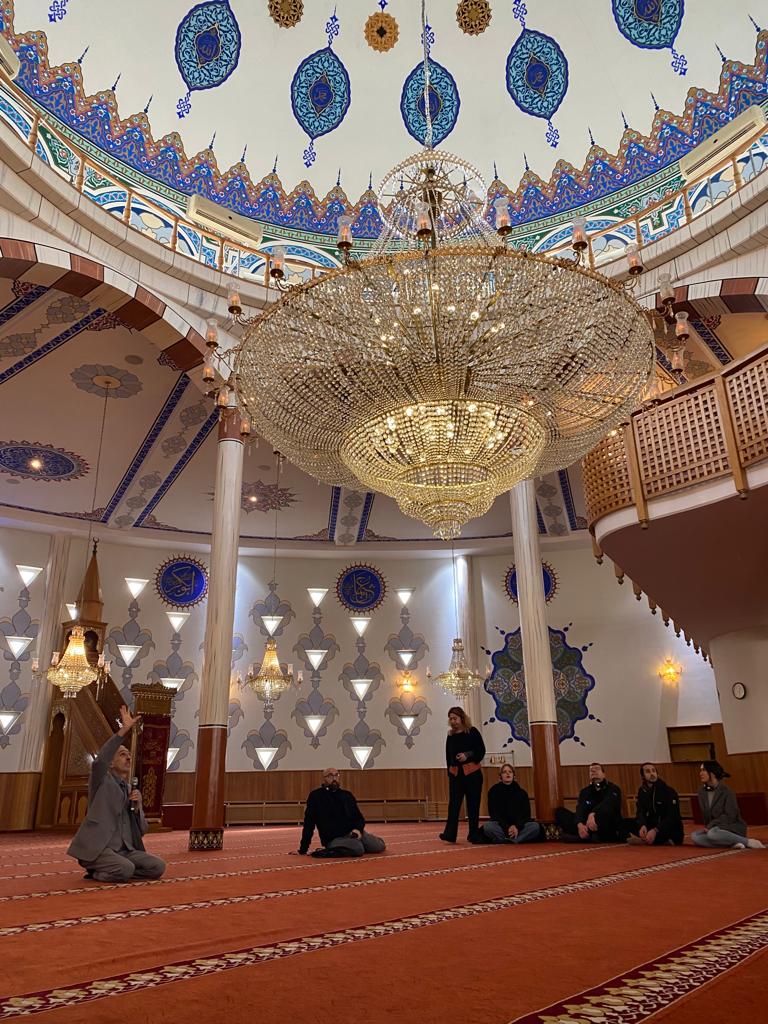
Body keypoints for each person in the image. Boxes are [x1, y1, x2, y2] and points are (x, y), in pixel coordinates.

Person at [67, 705, 166, 882]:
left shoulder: (129, 789)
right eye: (122, 755)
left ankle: (118, 869)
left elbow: (142, 830)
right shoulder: (101, 781)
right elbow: (100, 761)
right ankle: (99, 871)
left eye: (129, 755)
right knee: (125, 868)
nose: (128, 757)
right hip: (100, 848)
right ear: (111, 763)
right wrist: (124, 730)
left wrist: (138, 806)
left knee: (158, 866)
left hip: (125, 851)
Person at [294, 767, 386, 857]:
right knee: (358, 848)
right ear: (324, 778)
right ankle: (328, 850)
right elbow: (309, 823)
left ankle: (354, 845)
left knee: (379, 846)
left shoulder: (347, 795)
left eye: (336, 775)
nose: (334, 778)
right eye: (330, 776)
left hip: (353, 833)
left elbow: (359, 818)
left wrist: (357, 830)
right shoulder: (315, 796)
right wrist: (303, 849)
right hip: (333, 838)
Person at [691, 761, 764, 850]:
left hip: (730, 826)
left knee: (713, 834)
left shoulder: (727, 791)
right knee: (695, 836)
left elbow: (730, 816)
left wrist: (711, 826)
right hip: (713, 828)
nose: (700, 773)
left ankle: (748, 842)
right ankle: (731, 843)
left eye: (703, 770)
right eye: (700, 770)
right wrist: (708, 827)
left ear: (712, 773)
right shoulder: (701, 792)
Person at [439, 706, 486, 844]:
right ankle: (450, 834)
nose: (453, 721)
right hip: (456, 775)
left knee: (473, 805)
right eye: (450, 719)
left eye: (455, 718)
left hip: (472, 773)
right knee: (453, 805)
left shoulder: (472, 732)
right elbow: (448, 755)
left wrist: (467, 755)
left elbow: (481, 750)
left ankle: (473, 834)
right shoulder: (450, 736)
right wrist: (450, 773)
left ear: (462, 718)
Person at [555, 762, 623, 842]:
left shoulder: (613, 789)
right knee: (560, 812)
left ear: (603, 774)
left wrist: (593, 813)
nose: (593, 771)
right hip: (587, 824)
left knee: (606, 812)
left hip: (604, 823)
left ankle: (583, 837)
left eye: (597, 769)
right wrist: (579, 824)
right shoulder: (585, 791)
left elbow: (608, 803)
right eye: (591, 770)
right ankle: (585, 834)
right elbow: (580, 808)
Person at [482, 764, 542, 844]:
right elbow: (494, 814)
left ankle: (509, 840)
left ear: (514, 775)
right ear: (500, 776)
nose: (507, 774)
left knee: (535, 826)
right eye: (504, 772)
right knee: (488, 826)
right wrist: (507, 827)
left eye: (510, 772)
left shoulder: (522, 793)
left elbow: (526, 815)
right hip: (501, 826)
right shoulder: (494, 791)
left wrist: (516, 827)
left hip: (518, 828)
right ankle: (512, 839)